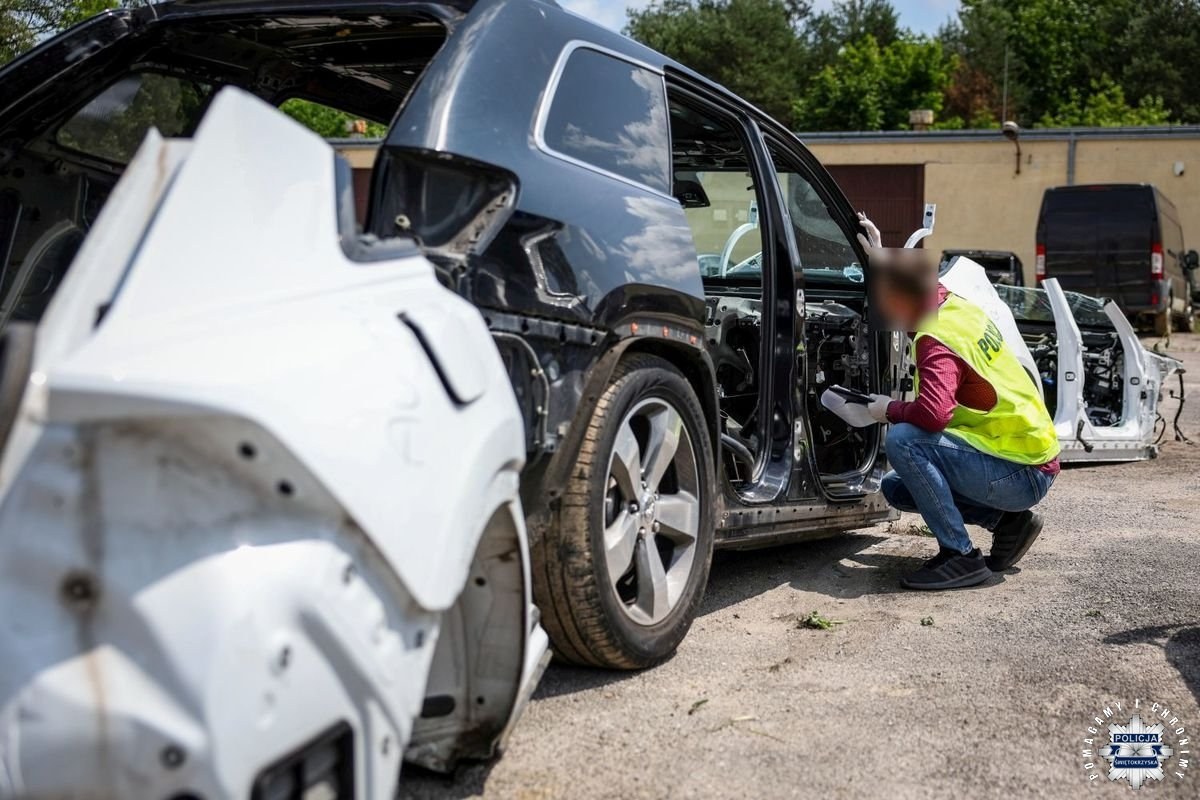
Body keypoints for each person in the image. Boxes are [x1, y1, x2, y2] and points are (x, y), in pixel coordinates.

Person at [861, 246, 1060, 591]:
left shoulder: (935, 340)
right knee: (896, 488)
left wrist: (886, 409)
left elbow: (935, 415)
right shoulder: (955, 306)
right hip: (1029, 457)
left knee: (904, 441)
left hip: (1022, 472)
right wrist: (879, 251)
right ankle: (1008, 523)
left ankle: (960, 556)